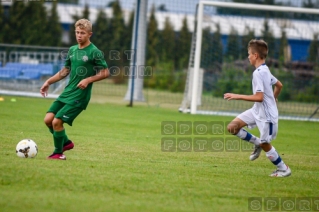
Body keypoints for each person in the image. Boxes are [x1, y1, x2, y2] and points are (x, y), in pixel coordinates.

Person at [40, 19, 110, 160]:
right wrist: (48, 81)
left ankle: (58, 153)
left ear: (90, 34)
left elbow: (106, 72)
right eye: (77, 32)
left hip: (80, 95)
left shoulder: (94, 52)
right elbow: (65, 71)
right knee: (48, 120)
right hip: (68, 92)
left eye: (82, 33)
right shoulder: (72, 50)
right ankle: (66, 142)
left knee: (57, 122)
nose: (79, 35)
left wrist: (88, 79)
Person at [224, 39, 291, 177]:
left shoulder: (259, 73)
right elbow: (279, 85)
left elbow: (259, 97)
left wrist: (237, 96)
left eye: (249, 54)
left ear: (255, 55)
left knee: (266, 143)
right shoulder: (265, 70)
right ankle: (257, 143)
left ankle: (283, 169)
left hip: (267, 116)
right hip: (257, 110)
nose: (248, 56)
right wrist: (274, 98)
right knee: (232, 127)